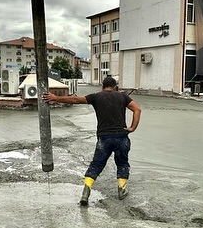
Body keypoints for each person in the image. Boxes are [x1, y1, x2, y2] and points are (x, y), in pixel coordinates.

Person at [42, 76, 141, 205]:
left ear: (103, 86)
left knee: (96, 165)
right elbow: (137, 109)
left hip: (104, 138)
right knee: (122, 163)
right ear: (115, 87)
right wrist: (132, 127)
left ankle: (85, 193)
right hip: (121, 136)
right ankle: (121, 191)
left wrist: (56, 98)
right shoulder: (123, 97)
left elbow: (76, 100)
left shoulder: (96, 96)